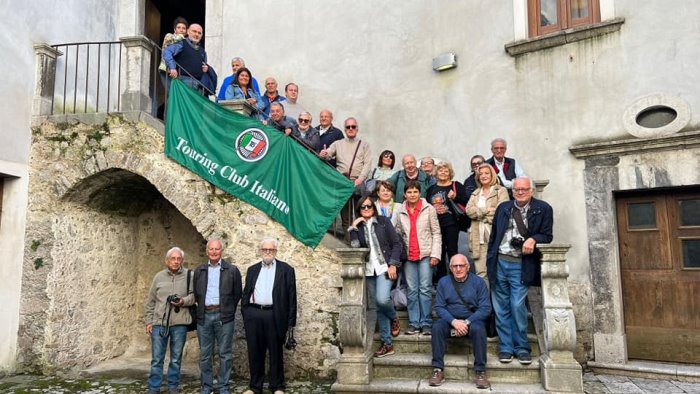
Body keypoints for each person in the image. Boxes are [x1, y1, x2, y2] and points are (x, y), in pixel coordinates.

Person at [487, 177, 552, 365]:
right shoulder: (503, 208)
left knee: (517, 305)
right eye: (517, 189)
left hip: (521, 264)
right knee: (501, 308)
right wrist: (491, 260)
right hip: (499, 262)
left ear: (531, 191)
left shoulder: (543, 208)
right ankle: (505, 348)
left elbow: (547, 236)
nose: (520, 192)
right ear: (512, 191)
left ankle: (522, 347)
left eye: (524, 189)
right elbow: (494, 237)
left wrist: (533, 239)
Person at [349, 196, 402, 358]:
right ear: (359, 210)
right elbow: (355, 248)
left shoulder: (383, 221)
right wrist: (353, 228)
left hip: (384, 268)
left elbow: (396, 244)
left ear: (374, 207)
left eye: (369, 206)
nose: (366, 209)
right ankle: (387, 343)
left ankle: (394, 317)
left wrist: (393, 264)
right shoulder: (358, 227)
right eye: (363, 207)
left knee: (382, 299)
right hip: (369, 270)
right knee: (378, 307)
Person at [241, 238, 297, 394]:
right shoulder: (252, 270)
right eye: (265, 249)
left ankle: (277, 386)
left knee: (275, 352)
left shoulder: (286, 270)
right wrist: (246, 312)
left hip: (274, 314)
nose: (267, 252)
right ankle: (255, 387)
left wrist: (290, 322)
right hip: (254, 314)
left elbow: (292, 297)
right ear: (260, 251)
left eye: (270, 250)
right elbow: (246, 293)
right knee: (254, 352)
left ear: (275, 252)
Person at [429, 254, 491, 389]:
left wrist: (467, 322)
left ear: (467, 267)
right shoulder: (443, 282)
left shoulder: (478, 282)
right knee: (437, 327)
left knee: (479, 329)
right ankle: (437, 370)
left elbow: (486, 308)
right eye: (454, 266)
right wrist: (454, 322)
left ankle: (480, 371)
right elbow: (439, 307)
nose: (458, 269)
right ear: (450, 268)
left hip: (472, 320)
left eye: (461, 265)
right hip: (450, 320)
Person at [193, 239, 243, 394]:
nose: (214, 252)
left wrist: (227, 310)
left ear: (222, 251)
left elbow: (237, 294)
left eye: (217, 249)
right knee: (205, 354)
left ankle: (223, 386)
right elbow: (195, 293)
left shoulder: (232, 270)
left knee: (225, 354)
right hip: (204, 316)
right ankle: (206, 386)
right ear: (207, 251)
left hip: (224, 317)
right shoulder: (200, 270)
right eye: (211, 249)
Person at [144, 246, 194, 394]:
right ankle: (154, 388)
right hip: (159, 323)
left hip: (180, 324)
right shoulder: (158, 277)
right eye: (173, 258)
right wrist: (149, 321)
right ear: (167, 261)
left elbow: (194, 297)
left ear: (182, 261)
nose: (176, 261)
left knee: (176, 359)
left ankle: (173, 386)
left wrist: (182, 301)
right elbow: (150, 301)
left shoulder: (189, 276)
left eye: (179, 259)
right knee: (157, 359)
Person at [396, 181, 441, 335]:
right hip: (408, 256)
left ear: (420, 193)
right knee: (412, 290)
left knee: (425, 289)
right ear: (404, 194)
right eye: (409, 192)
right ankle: (414, 323)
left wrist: (435, 254)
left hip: (426, 255)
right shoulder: (401, 210)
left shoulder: (429, 209)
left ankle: (426, 323)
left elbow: (436, 232)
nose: (412, 195)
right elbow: (397, 233)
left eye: (415, 192)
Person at [319, 117, 372, 232]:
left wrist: (360, 179)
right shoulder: (338, 144)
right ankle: (349, 240)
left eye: (353, 127)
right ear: (345, 129)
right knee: (345, 214)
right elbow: (328, 154)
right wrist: (324, 154)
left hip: (358, 181)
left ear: (357, 129)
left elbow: (367, 164)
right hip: (342, 181)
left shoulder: (364, 145)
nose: (351, 129)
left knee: (361, 211)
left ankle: (362, 238)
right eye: (348, 127)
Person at [466, 163, 509, 284]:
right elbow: (469, 211)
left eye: (486, 173)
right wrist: (486, 210)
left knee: (497, 273)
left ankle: (496, 303)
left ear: (492, 174)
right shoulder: (476, 192)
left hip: (495, 237)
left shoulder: (500, 191)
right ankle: (485, 303)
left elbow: (501, 213)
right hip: (478, 239)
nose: (484, 176)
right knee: (481, 274)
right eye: (481, 174)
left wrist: (480, 215)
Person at [426, 161, 469, 282]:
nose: (443, 173)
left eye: (446, 171)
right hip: (435, 226)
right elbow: (427, 206)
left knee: (452, 251)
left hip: (451, 224)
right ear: (436, 172)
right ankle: (441, 280)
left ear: (450, 173)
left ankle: (455, 278)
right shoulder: (431, 189)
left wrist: (456, 197)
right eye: (441, 170)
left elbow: (467, 201)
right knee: (438, 253)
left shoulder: (456, 185)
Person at [163, 23, 216, 95]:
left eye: (199, 33)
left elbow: (204, 65)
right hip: (184, 82)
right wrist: (172, 68)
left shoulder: (202, 51)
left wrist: (207, 68)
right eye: (194, 31)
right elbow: (167, 51)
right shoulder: (181, 43)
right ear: (188, 32)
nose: (197, 34)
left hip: (200, 85)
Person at [158, 17, 188, 88]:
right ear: (175, 29)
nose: (181, 30)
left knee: (175, 94)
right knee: (171, 92)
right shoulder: (169, 36)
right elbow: (176, 39)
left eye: (184, 28)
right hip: (165, 68)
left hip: (176, 71)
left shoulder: (184, 42)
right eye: (179, 27)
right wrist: (184, 37)